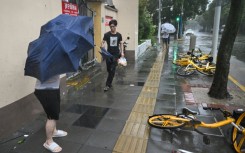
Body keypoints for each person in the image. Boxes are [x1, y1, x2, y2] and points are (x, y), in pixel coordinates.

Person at [34, 75, 67, 152]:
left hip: (54, 88)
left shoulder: (53, 63)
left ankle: (54, 132)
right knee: (52, 116)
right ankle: (48, 142)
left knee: (54, 112)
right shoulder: (45, 63)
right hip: (46, 90)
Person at [101, 19, 124, 91]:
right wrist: (102, 47)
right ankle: (110, 83)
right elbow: (103, 42)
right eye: (110, 26)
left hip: (116, 54)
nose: (111, 28)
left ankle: (107, 85)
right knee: (109, 69)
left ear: (116, 26)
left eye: (113, 26)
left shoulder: (119, 35)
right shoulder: (106, 34)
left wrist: (122, 52)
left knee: (112, 69)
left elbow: (121, 43)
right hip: (108, 54)